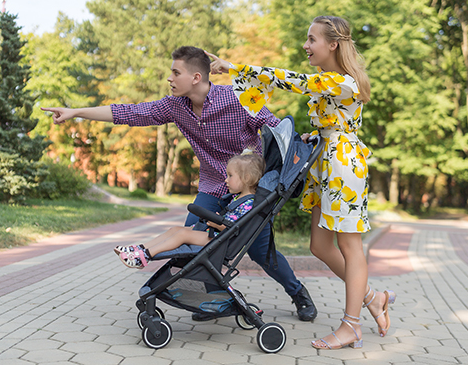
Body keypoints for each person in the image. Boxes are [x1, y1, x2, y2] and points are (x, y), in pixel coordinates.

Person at [42, 46, 317, 322]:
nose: (170, 79)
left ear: (196, 77)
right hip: (212, 185)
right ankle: (205, 301)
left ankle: (298, 293)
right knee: (194, 247)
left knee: (261, 252)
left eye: (176, 73)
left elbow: (277, 129)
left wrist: (300, 142)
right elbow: (130, 113)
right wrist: (76, 111)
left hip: (246, 191)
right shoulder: (175, 106)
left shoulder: (236, 99)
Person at [207, 16, 395, 350]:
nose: (305, 46)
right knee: (320, 247)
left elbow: (289, 80)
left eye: (312, 39)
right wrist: (314, 134)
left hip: (343, 167)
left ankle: (351, 326)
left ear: (332, 44)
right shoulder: (327, 81)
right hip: (324, 161)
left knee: (351, 248)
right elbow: (330, 121)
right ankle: (373, 298)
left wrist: (234, 68)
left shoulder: (344, 82)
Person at [113, 152, 263, 269]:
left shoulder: (249, 203)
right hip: (218, 236)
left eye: (230, 176)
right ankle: (140, 248)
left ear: (247, 178)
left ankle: (144, 257)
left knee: (183, 234)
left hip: (223, 241)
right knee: (176, 229)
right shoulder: (238, 198)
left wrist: (217, 223)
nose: (226, 180)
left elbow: (237, 227)